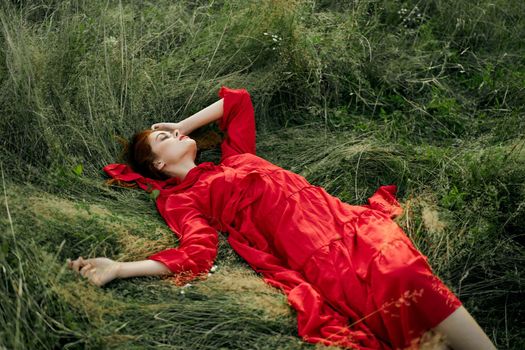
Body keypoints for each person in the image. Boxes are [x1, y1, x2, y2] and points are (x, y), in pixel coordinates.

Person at [67, 86, 497, 350]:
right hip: (312, 248)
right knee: (397, 289)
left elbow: (237, 103)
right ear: (157, 166)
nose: (179, 136)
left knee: (411, 278)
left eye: (175, 132)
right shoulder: (182, 198)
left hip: (344, 220)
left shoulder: (234, 156)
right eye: (165, 139)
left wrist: (180, 122)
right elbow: (196, 253)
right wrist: (122, 268)